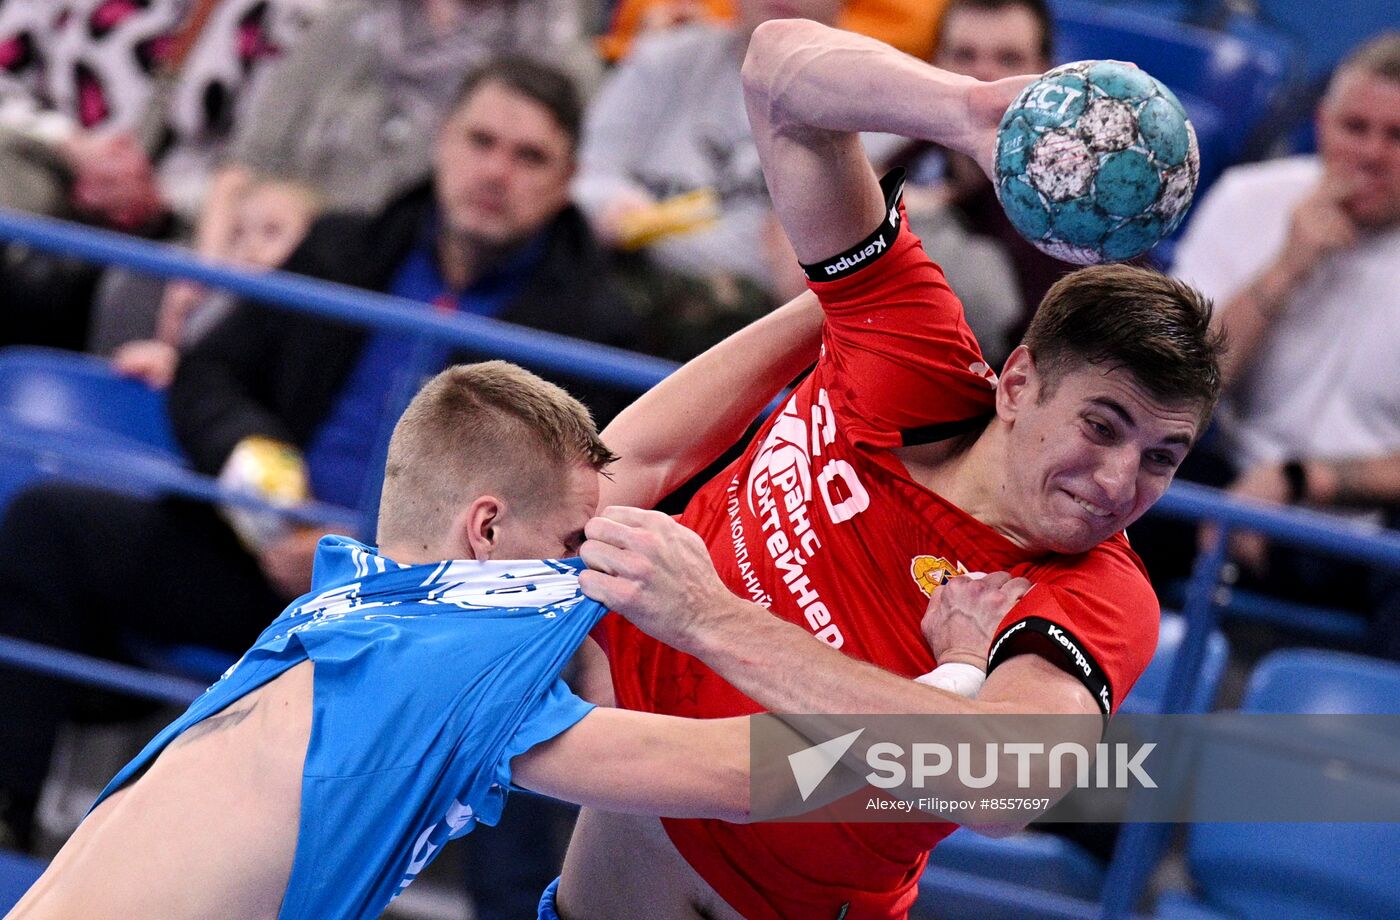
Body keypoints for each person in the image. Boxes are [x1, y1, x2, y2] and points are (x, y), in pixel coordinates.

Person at [554, 18, 1224, 920]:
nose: (1116, 482)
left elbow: (1000, 787)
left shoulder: (1095, 594)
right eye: (1100, 428)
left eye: (1161, 459)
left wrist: (707, 617)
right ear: (1017, 383)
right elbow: (777, 71)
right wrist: (967, 112)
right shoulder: (904, 346)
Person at [8, 360, 1002, 919]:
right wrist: (958, 669)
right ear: (485, 529)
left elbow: (638, 457)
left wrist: (833, 300)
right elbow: (752, 774)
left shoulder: (344, 600)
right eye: (573, 545)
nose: (588, 565)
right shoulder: (463, 668)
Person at [0, 55, 639, 853]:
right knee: (48, 528)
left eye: (529, 156)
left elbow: (573, 520)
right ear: (442, 141)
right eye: (481, 142)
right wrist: (254, 475)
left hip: (432, 627)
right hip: (262, 561)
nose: (496, 172)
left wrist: (370, 557)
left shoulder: (594, 330)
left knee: (522, 700)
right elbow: (211, 372)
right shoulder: (344, 248)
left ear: (568, 179)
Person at [1155, 31, 1400, 655]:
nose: (1371, 155)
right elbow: (1173, 389)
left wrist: (1298, 480)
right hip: (1226, 471)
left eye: (1397, 136)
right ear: (1321, 124)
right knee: (1117, 471)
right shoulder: (1248, 200)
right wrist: (1287, 268)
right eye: (1355, 128)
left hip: (1367, 518)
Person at [887, 0, 1070, 349]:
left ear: (1045, 75)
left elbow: (989, 326)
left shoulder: (1067, 199)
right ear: (935, 64)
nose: (982, 76)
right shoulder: (920, 149)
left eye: (1009, 60)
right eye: (963, 55)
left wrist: (901, 218)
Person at [100, 174, 324, 388]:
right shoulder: (214, 303)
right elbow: (190, 363)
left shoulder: (308, 320)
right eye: (238, 233)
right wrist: (165, 354)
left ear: (312, 241)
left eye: (271, 231)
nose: (251, 246)